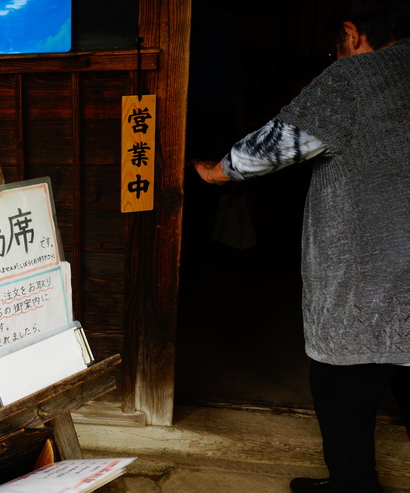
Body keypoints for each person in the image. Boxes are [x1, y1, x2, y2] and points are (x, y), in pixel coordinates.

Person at [191, 1, 410, 492]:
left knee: (345, 385)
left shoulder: (353, 77)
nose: (335, 58)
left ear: (352, 34)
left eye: (335, 48)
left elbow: (278, 142)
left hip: (369, 276)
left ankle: (353, 487)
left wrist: (216, 172)